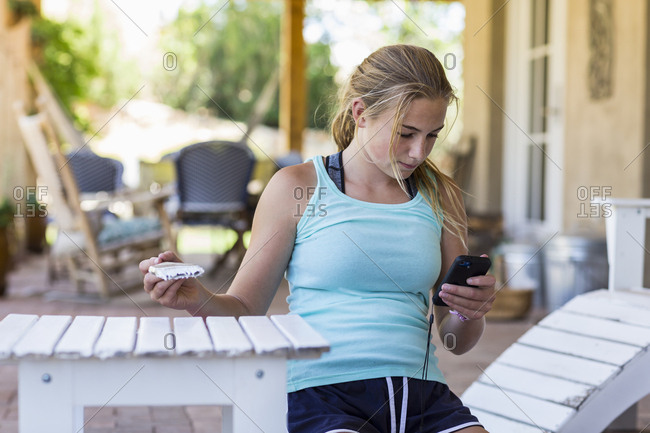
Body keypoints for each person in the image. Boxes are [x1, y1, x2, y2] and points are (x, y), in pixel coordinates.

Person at [141, 44, 496, 433]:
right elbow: (244, 307)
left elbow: (455, 340)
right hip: (321, 395)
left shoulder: (439, 194)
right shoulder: (298, 188)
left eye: (432, 136)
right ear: (360, 113)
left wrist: (469, 312)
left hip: (423, 397)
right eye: (406, 133)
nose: (418, 152)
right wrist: (199, 299)